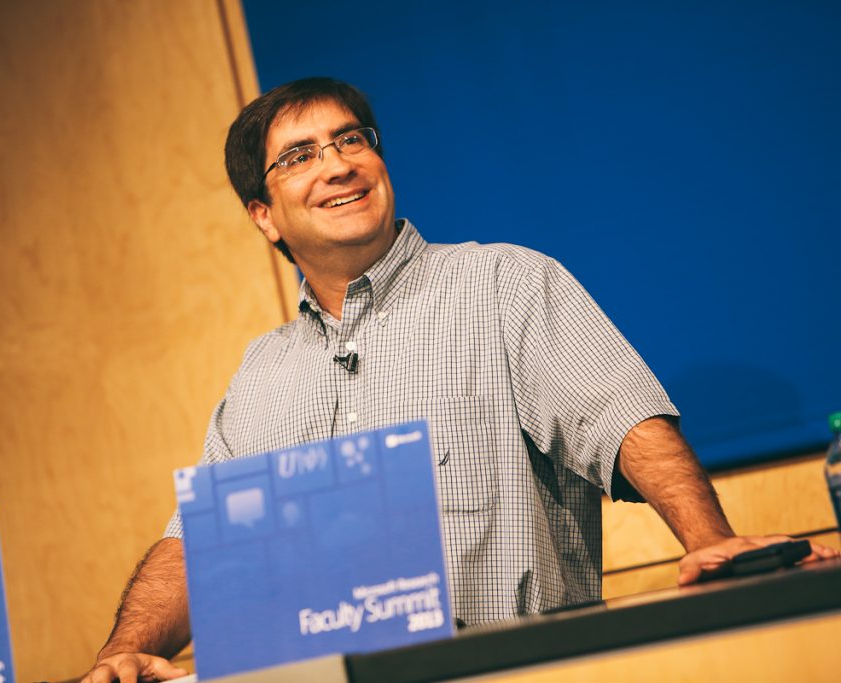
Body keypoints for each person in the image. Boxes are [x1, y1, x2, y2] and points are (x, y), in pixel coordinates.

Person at [82, 78, 838, 683]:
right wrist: (119, 653)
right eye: (301, 155)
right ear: (264, 215)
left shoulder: (503, 283)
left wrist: (712, 540)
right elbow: (197, 547)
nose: (339, 163)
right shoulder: (259, 373)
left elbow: (624, 420)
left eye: (352, 140)